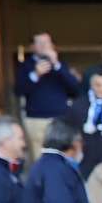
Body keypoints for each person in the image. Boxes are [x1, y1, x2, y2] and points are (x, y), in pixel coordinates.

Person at [16, 33, 82, 161]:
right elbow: (18, 91)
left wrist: (57, 65)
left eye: (46, 43)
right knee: (38, 158)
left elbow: (75, 88)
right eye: (39, 43)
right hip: (36, 119)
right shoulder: (26, 65)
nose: (43, 47)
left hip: (59, 117)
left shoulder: (61, 64)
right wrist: (35, 75)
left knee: (63, 154)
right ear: (32, 47)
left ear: (52, 46)